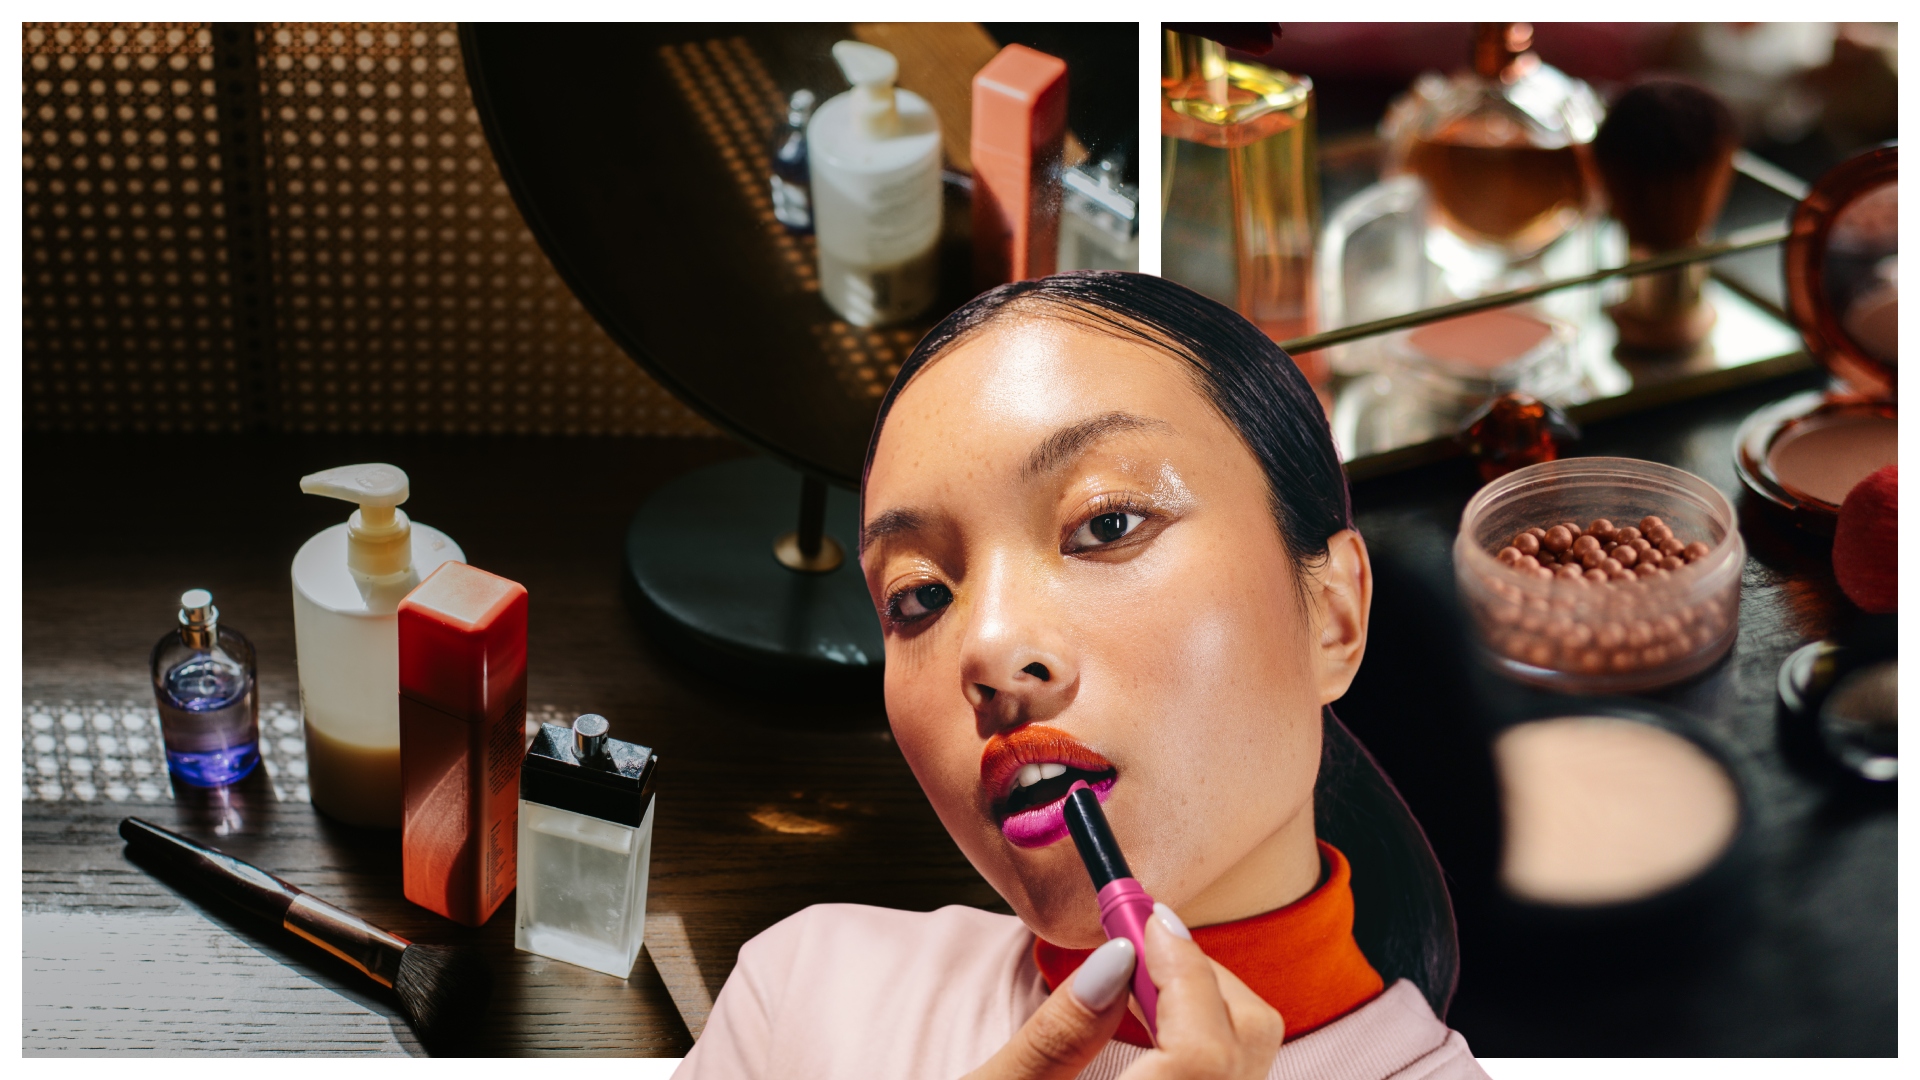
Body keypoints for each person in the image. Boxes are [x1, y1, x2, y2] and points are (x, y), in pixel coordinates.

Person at [675, 273, 1488, 1079]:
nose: (987, 650)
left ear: (1336, 616)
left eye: (1107, 524)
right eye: (920, 596)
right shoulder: (806, 995)